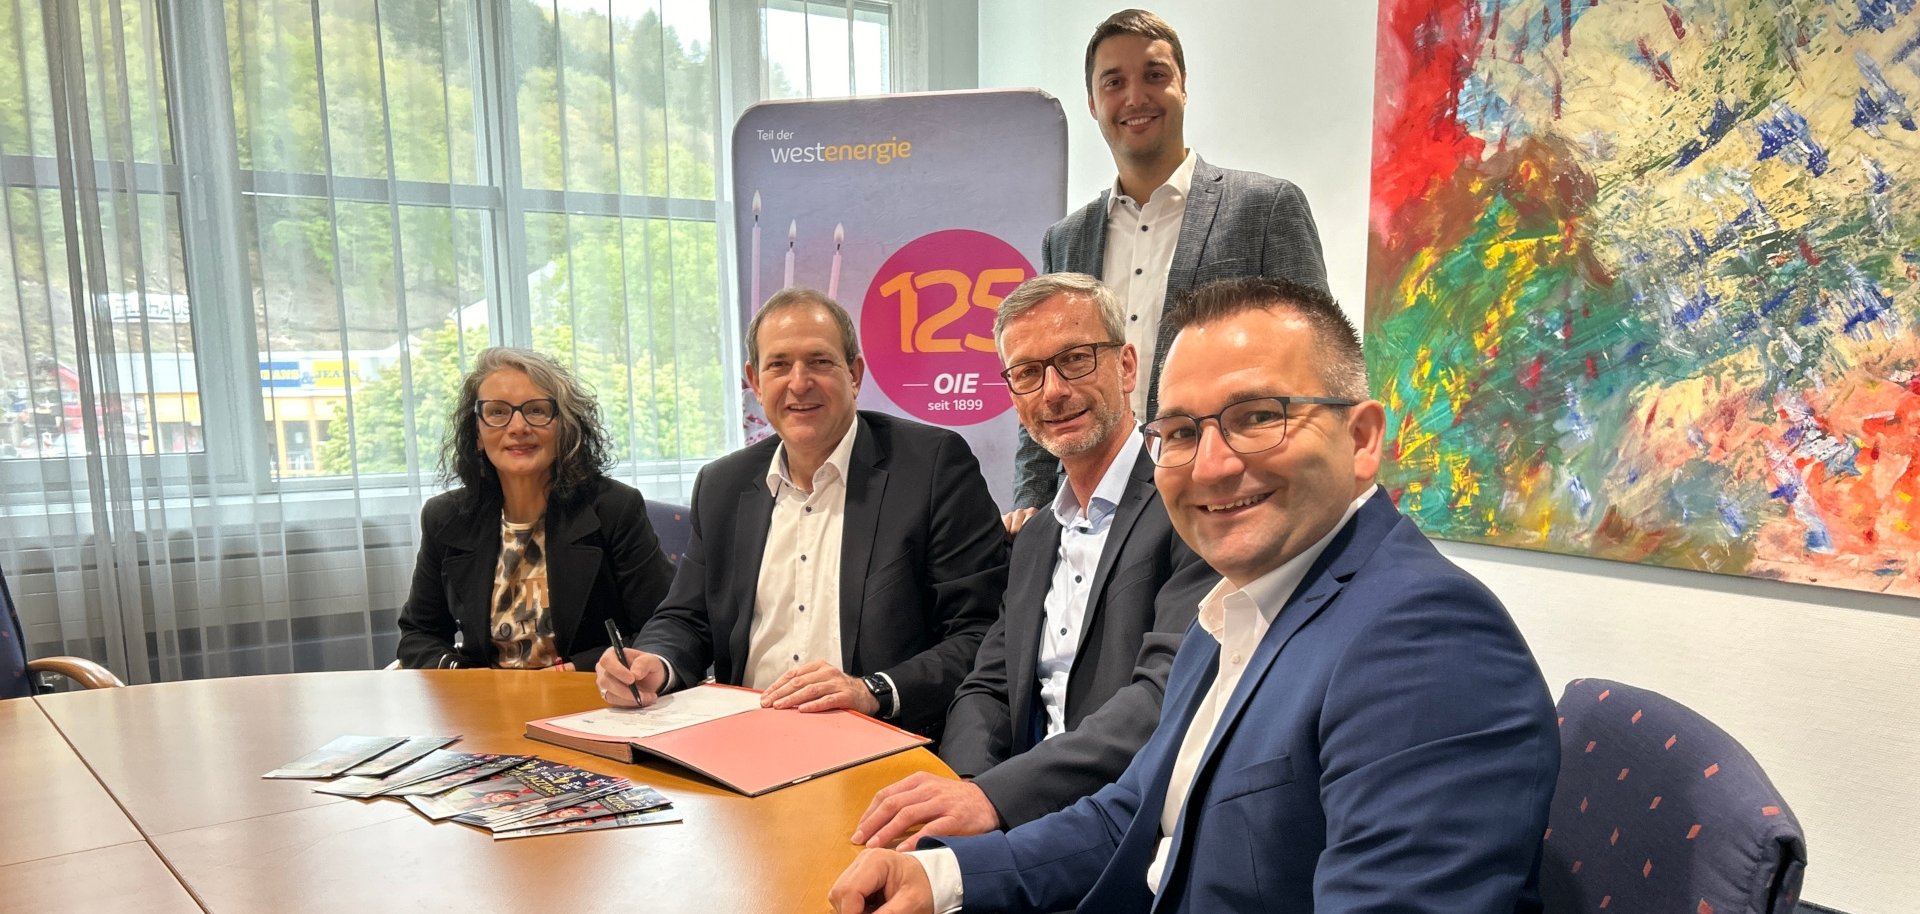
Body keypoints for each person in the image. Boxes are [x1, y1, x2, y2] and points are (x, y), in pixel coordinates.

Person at [830, 277, 1559, 914]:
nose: (1210, 466)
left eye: (1258, 416)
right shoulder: (1237, 606)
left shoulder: (1427, 643)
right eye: (1180, 431)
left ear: (1363, 438)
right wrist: (943, 875)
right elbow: (1132, 815)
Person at [851, 273, 1215, 850]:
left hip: (1126, 828)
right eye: (1027, 373)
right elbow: (986, 686)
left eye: (1074, 359)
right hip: (1016, 818)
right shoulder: (1037, 532)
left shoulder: (1190, 504)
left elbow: (1165, 696)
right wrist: (964, 788)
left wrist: (994, 798)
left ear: (1125, 367)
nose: (1052, 392)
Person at [596, 289, 1007, 739]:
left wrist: (871, 691)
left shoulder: (931, 467)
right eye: (778, 365)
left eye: (819, 361)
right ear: (755, 381)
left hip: (875, 736)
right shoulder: (723, 485)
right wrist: (654, 663)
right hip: (744, 737)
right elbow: (686, 617)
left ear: (854, 374)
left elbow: (980, 630)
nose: (798, 382)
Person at [1010, 8, 1331, 519]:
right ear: (1094, 104)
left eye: (1155, 75)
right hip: (1096, 507)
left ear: (1184, 87)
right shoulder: (1065, 240)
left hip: (1226, 492)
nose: (1135, 97)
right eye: (1114, 82)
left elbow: (1315, 368)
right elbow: (1045, 374)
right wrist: (1031, 500)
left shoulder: (1264, 209)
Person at [396, 347, 675, 671]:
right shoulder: (445, 518)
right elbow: (418, 635)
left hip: (589, 705)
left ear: (564, 426)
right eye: (498, 412)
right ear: (477, 433)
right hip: (484, 707)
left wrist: (574, 672)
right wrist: (468, 678)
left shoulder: (613, 509)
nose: (517, 427)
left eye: (537, 411)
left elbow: (662, 628)